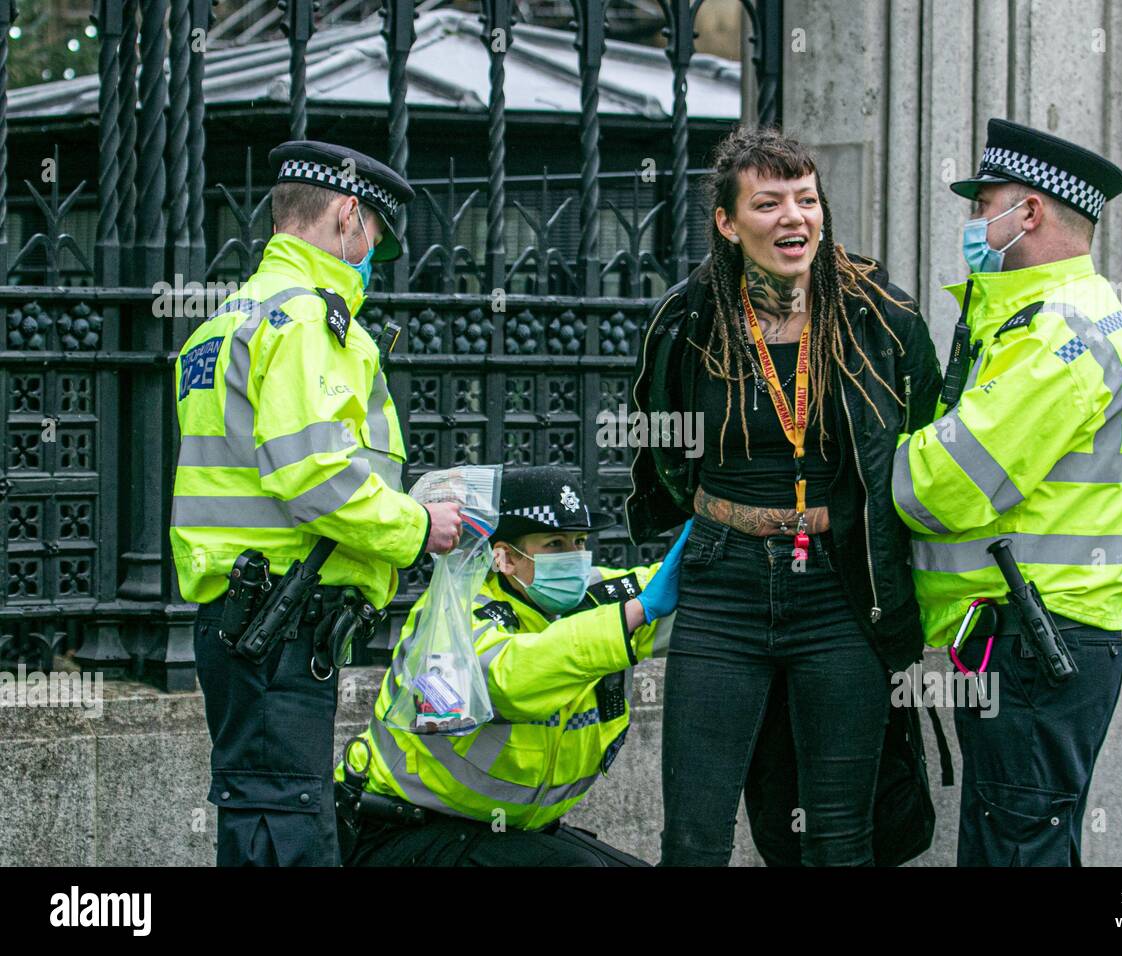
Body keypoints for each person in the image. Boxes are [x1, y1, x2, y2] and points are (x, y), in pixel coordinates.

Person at [625, 125, 943, 866]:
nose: (794, 217)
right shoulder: (690, 317)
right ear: (728, 224)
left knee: (839, 837)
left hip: (841, 587)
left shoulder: (880, 316)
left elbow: (924, 436)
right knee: (695, 835)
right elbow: (666, 451)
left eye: (806, 198)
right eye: (768, 203)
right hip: (722, 584)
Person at [171, 140, 463, 866]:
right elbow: (316, 478)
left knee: (262, 815)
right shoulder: (307, 320)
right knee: (286, 830)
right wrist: (419, 525)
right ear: (347, 216)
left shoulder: (224, 320)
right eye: (373, 241)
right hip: (282, 622)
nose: (370, 258)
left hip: (241, 619)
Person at [892, 118, 1122, 866]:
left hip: (1036, 649)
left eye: (984, 206)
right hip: (1042, 642)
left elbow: (940, 488)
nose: (974, 224)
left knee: (1013, 854)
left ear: (1029, 213)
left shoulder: (1054, 334)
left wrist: (881, 451)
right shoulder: (1064, 314)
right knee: (1027, 847)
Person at [336, 466, 690, 866]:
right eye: (554, 544)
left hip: (505, 834)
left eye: (579, 541)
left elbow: (679, 595)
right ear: (504, 558)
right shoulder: (451, 615)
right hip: (398, 832)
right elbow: (508, 681)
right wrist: (632, 615)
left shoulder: (593, 602)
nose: (573, 557)